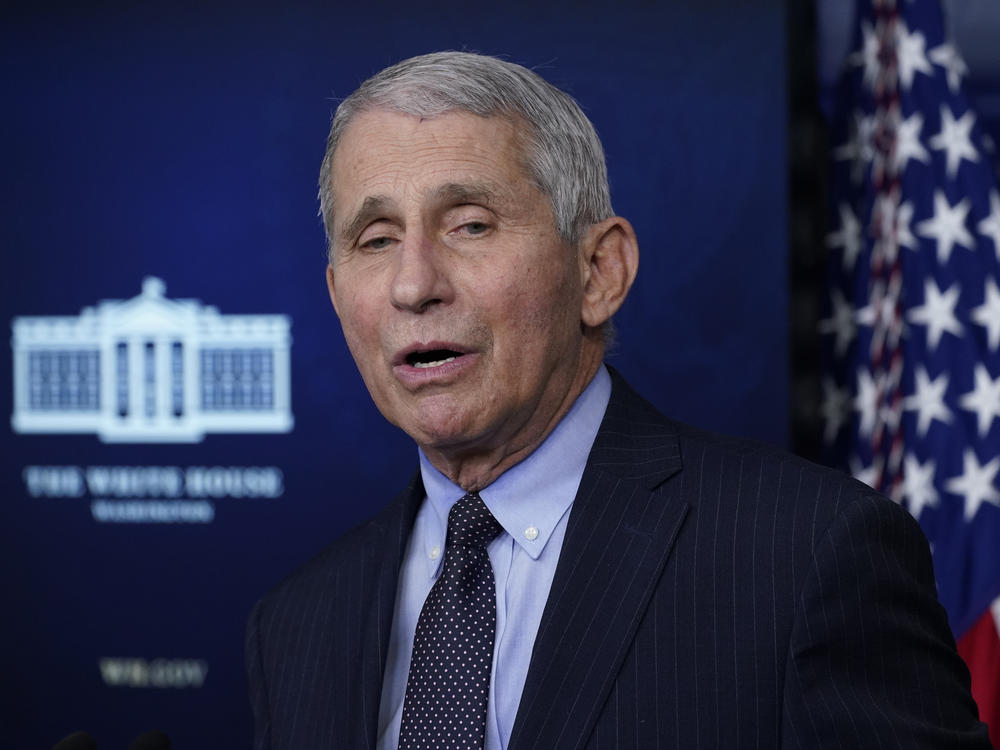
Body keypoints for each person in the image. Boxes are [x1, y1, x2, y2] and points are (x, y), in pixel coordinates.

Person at [245, 51, 991, 749]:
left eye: (470, 225)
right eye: (376, 240)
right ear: (339, 299)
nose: (415, 285)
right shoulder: (296, 626)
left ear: (600, 271)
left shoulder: (809, 556)